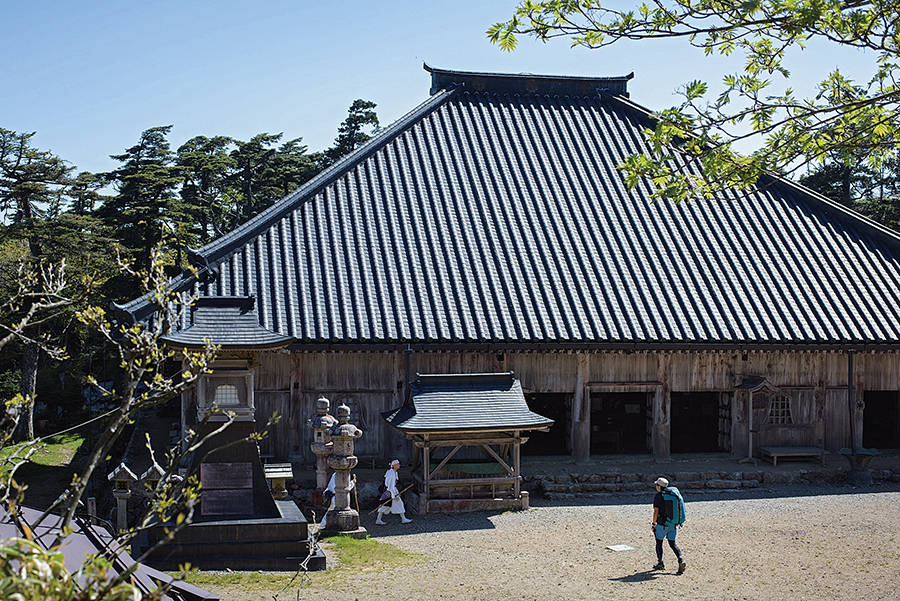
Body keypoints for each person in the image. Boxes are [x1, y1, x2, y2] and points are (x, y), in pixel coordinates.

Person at [651, 477, 686, 574]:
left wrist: (653, 524)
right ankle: (680, 559)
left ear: (659, 486)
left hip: (662, 524)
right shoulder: (672, 494)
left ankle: (660, 563)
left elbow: (656, 511)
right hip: (673, 524)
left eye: (656, 485)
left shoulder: (659, 496)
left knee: (659, 543)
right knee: (672, 544)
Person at [375, 459, 412, 525]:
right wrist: (392, 495)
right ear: (394, 465)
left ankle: (403, 518)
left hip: (393, 490)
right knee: (385, 505)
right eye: (398, 464)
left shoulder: (394, 472)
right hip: (391, 491)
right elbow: (390, 484)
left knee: (397, 504)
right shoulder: (391, 473)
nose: (399, 465)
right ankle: (378, 519)